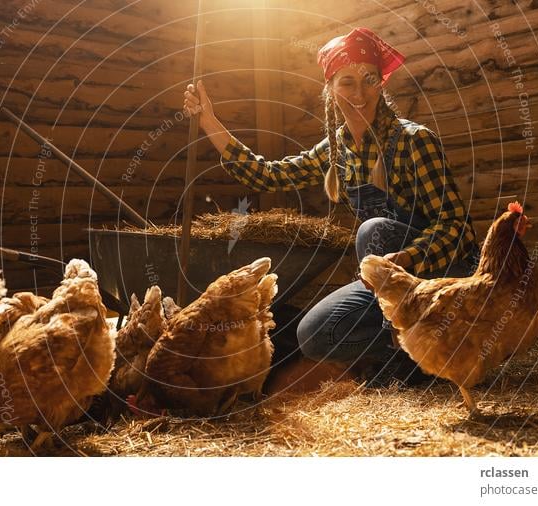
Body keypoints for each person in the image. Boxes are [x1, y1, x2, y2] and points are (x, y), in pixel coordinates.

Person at [182, 27, 478, 385]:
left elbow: (455, 227)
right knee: (315, 334)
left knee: (373, 230)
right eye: (347, 83)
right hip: (389, 286)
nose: (359, 93)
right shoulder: (337, 149)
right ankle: (420, 362)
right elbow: (270, 176)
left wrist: (409, 258)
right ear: (331, 89)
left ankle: (414, 349)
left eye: (369, 80)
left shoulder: (414, 141)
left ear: (381, 83)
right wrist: (209, 121)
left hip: (443, 278)